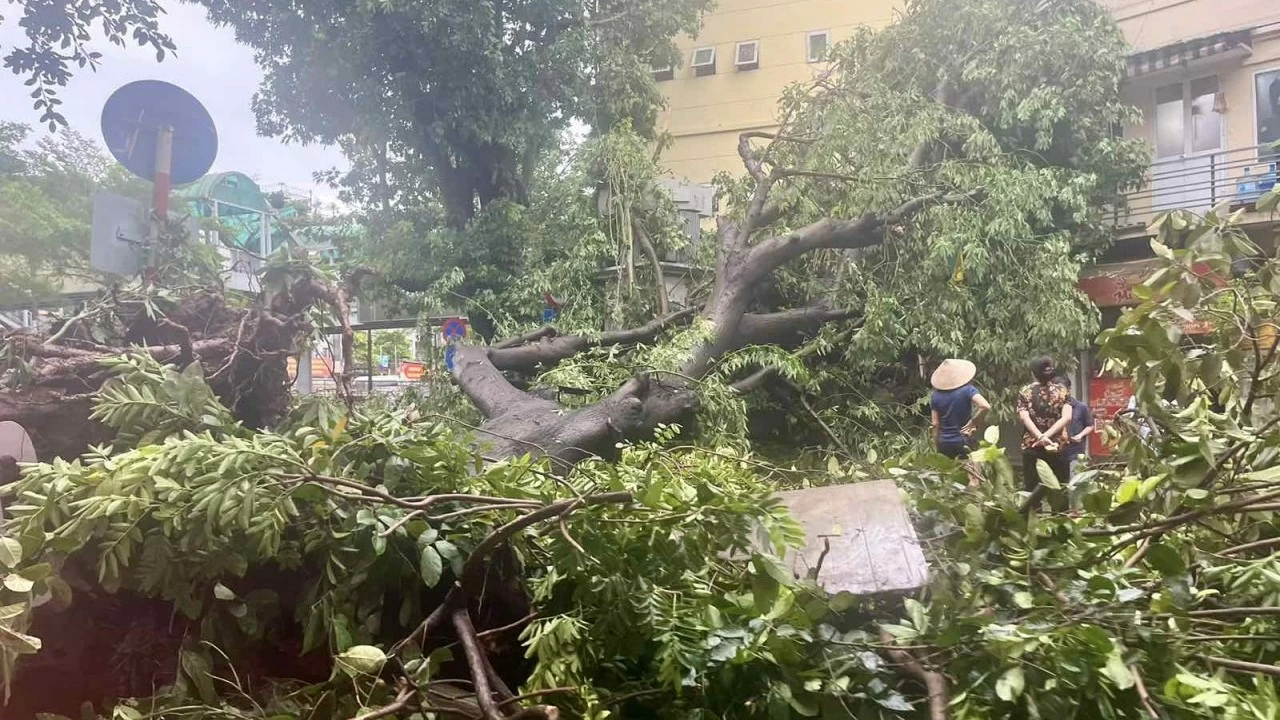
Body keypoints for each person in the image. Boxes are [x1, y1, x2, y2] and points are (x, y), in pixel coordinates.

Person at [1017, 356, 1073, 492]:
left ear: (1033, 373)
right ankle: (1060, 513)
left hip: (1032, 446)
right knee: (1060, 489)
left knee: (1031, 490)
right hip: (1057, 446)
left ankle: (1034, 513)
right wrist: (1047, 436)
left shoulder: (1025, 392)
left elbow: (1024, 418)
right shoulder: (1062, 391)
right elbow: (1067, 418)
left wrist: (1040, 437)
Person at [929, 359, 991, 459]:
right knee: (970, 472)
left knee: (949, 473)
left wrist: (937, 444)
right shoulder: (967, 390)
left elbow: (935, 424)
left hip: (944, 442)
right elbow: (985, 406)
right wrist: (973, 421)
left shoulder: (935, 396)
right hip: (963, 439)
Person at [1057, 375, 1094, 471]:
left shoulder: (1081, 407)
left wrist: (1080, 435)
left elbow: (1089, 425)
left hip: (1076, 451)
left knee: (1076, 481)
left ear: (1068, 390)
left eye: (1060, 389)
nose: (1057, 393)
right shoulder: (1052, 408)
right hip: (1057, 452)